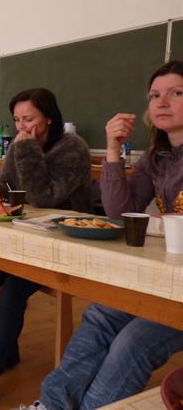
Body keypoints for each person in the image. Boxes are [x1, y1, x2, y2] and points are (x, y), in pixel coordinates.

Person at [19, 60, 183, 410]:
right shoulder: (155, 157)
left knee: (133, 341)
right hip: (162, 275)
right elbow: (118, 214)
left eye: (176, 93)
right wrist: (112, 149)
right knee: (101, 315)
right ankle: (51, 404)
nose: (162, 102)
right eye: (154, 95)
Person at [0, 88, 91, 409]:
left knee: (12, 291)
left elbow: (43, 197)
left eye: (29, 119)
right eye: (17, 120)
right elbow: (7, 183)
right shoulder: (20, 145)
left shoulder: (73, 149)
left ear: (49, 118)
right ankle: (6, 349)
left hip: (62, 242)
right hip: (24, 238)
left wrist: (25, 149)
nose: (22, 127)